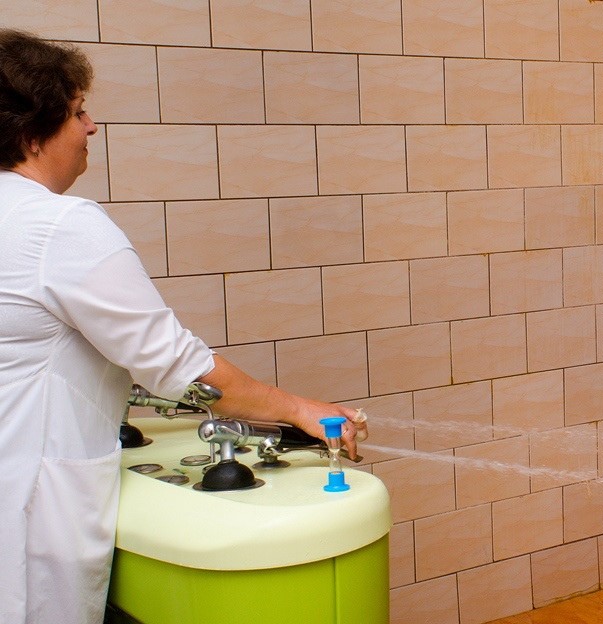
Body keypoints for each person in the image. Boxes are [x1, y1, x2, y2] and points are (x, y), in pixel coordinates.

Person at [0, 29, 367, 624]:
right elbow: (178, 366)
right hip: (26, 522)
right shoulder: (58, 227)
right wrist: (299, 408)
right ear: (30, 131)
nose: (91, 126)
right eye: (77, 111)